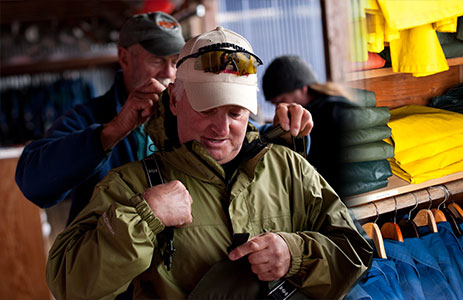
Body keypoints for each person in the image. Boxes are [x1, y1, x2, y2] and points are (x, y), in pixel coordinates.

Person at [46, 27, 372, 299]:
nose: (221, 128)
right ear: (174, 100)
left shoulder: (288, 167)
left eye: (235, 113)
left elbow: (356, 253)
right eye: (206, 110)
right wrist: (144, 217)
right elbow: (68, 285)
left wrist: (296, 254)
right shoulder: (133, 185)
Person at [15, 12, 312, 225]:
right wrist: (113, 130)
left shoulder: (192, 105)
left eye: (175, 63)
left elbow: (235, 138)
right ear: (124, 58)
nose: (168, 74)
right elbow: (34, 184)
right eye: (157, 61)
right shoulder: (90, 116)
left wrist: (283, 132)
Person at [262, 55, 355, 190]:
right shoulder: (340, 103)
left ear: (303, 88)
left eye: (282, 100)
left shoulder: (328, 115)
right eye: (275, 104)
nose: (280, 108)